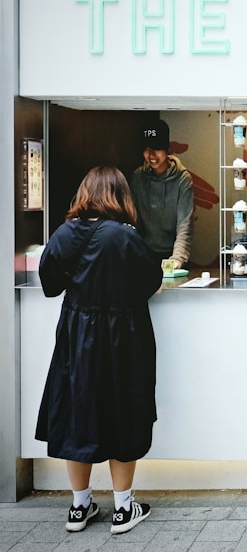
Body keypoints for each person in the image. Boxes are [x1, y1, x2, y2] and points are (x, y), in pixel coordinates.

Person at [36, 166, 163, 535]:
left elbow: (48, 283)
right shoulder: (125, 237)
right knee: (124, 414)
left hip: (78, 337)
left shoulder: (64, 234)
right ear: (122, 197)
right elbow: (151, 281)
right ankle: (123, 508)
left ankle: (80, 506)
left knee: (79, 415)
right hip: (124, 336)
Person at [130, 118, 194, 269]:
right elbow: (132, 221)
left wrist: (177, 260)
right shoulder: (138, 177)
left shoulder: (183, 179)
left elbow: (185, 225)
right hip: (144, 255)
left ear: (168, 149)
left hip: (174, 256)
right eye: (146, 148)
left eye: (157, 148)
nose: (151, 155)